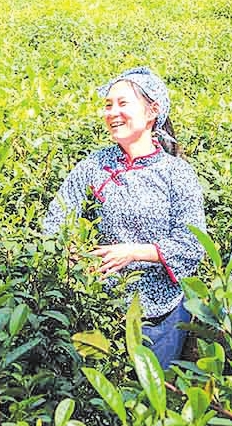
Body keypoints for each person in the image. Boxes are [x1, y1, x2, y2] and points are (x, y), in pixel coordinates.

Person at [42, 68, 206, 368]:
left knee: (150, 403)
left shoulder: (176, 173)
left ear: (152, 111)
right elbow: (55, 222)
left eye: (122, 104)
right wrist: (72, 255)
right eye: (108, 105)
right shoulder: (95, 165)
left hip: (160, 316)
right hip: (100, 308)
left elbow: (193, 245)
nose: (112, 113)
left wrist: (132, 253)